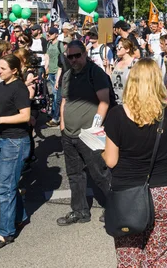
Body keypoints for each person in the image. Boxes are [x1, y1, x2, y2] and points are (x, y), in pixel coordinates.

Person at [102, 58, 167, 266]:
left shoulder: (117, 115)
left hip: (128, 191)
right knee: (159, 252)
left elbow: (110, 160)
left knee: (129, 253)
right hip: (165, 188)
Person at [57, 40, 111, 225]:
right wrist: (62, 125)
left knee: (100, 174)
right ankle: (79, 211)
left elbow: (104, 101)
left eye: (76, 55)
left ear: (85, 54)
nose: (73, 60)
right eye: (69, 56)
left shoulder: (95, 73)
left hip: (89, 134)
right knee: (75, 175)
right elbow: (64, 100)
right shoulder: (67, 75)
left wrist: (95, 127)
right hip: (69, 134)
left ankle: (114, 207)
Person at [0, 55, 31, 249]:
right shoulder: (2, 85)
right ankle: (19, 217)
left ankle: (6, 232)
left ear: (14, 70)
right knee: (5, 184)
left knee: (5, 188)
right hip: (2, 138)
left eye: (2, 68)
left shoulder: (19, 88)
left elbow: (25, 115)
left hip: (15, 141)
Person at [111, 38, 137, 104]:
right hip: (115, 101)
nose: (117, 49)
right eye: (117, 46)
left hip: (129, 102)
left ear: (127, 49)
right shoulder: (116, 62)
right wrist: (107, 67)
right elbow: (111, 79)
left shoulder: (135, 63)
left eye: (119, 47)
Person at [45, 27, 62, 126]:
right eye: (48, 34)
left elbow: (63, 57)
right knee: (54, 95)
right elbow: (47, 57)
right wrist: (45, 68)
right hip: (51, 71)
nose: (49, 35)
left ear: (56, 34)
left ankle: (56, 117)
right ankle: (54, 113)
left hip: (57, 71)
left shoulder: (60, 44)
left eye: (51, 34)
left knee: (56, 95)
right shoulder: (49, 44)